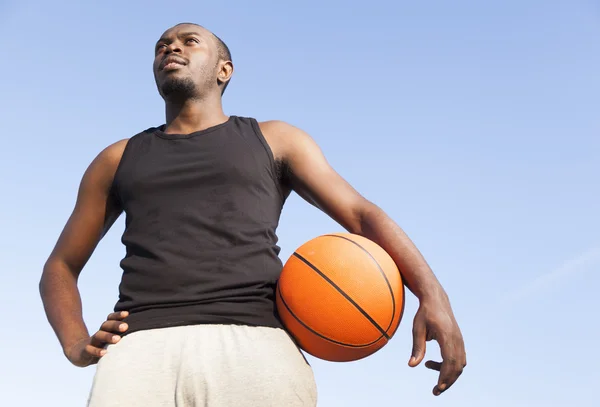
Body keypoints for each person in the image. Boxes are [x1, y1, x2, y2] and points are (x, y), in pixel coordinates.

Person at [39, 22, 466, 406]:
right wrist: (75, 343)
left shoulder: (276, 140)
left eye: (190, 41)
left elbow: (361, 215)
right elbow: (60, 266)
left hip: (255, 344)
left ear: (224, 70)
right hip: (140, 346)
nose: (171, 48)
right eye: (161, 46)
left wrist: (434, 296)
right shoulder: (116, 159)